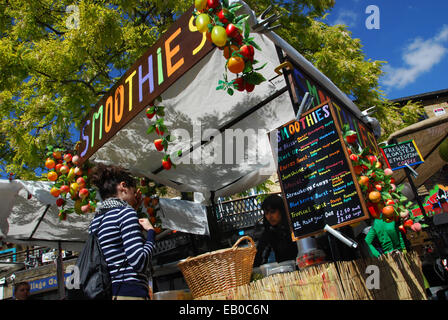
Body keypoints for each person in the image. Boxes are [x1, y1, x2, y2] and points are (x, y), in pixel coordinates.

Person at [89, 163, 155, 300]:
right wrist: (150, 232)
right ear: (123, 186)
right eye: (133, 190)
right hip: (130, 292)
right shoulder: (125, 213)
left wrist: (132, 212)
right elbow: (139, 261)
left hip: (107, 292)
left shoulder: (96, 221)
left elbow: (116, 251)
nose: (134, 195)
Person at [254, 194, 298, 267]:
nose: (269, 217)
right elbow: (259, 257)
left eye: (273, 212)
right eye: (266, 213)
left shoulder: (294, 227)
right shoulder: (267, 234)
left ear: (281, 211)